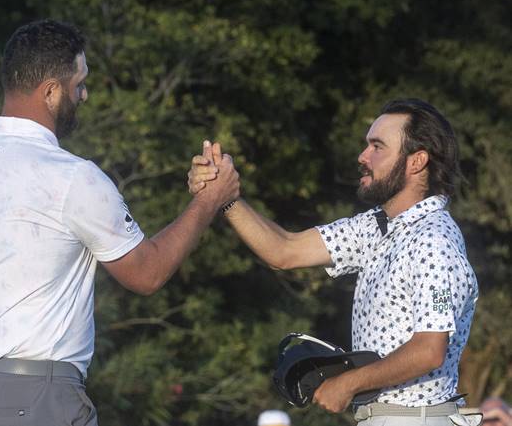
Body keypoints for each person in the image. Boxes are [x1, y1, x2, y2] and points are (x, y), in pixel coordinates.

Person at [0, 19, 239, 426]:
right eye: (78, 83)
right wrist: (210, 201)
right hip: (39, 398)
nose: (83, 95)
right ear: (51, 91)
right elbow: (148, 273)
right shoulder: (72, 177)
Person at [188, 99, 479, 425]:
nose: (362, 156)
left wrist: (348, 383)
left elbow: (429, 350)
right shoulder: (376, 226)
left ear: (417, 162)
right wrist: (225, 197)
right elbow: (285, 250)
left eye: (377, 146)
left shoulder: (433, 240)